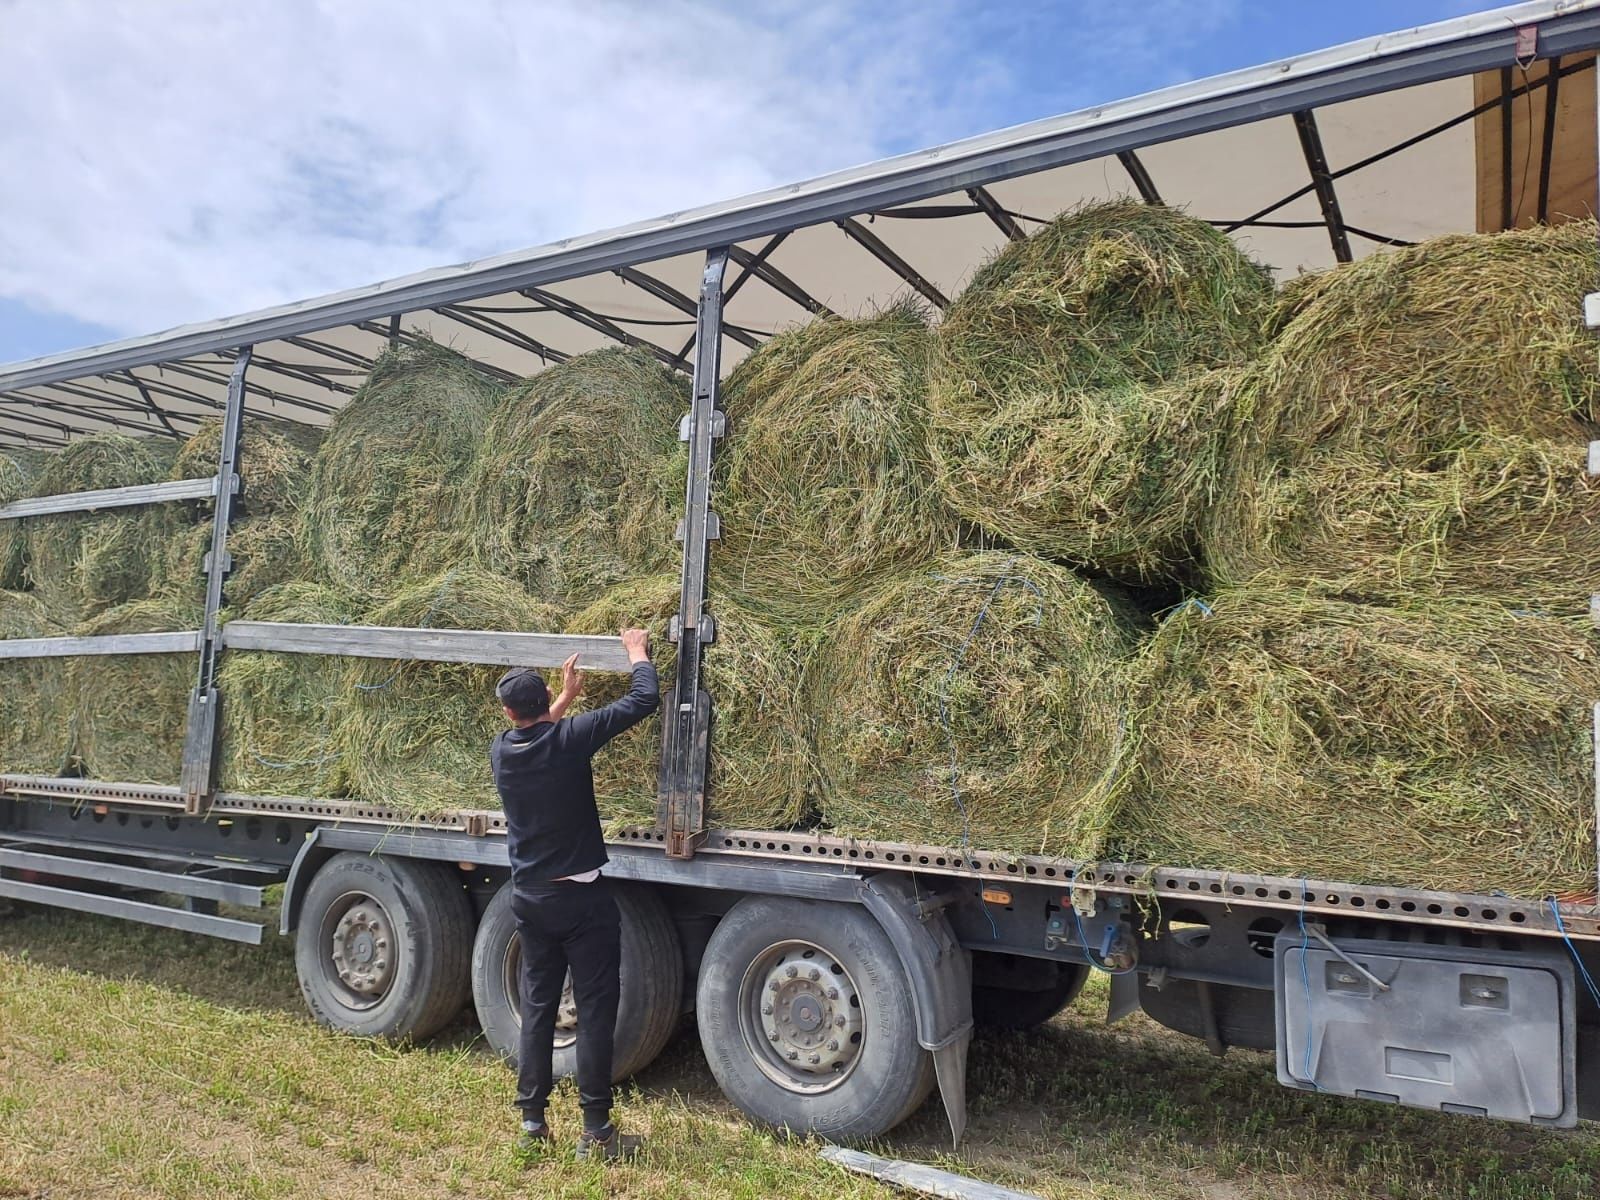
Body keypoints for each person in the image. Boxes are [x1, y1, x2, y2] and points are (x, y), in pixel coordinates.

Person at [490, 627, 659, 1161]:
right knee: (595, 1009)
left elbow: (539, 733)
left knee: (538, 1010)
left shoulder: (503, 752)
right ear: (540, 706)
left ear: (507, 715)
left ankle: (533, 1122)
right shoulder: (568, 740)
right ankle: (597, 1131)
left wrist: (563, 699)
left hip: (530, 900)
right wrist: (637, 653)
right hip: (582, 904)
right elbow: (643, 700)